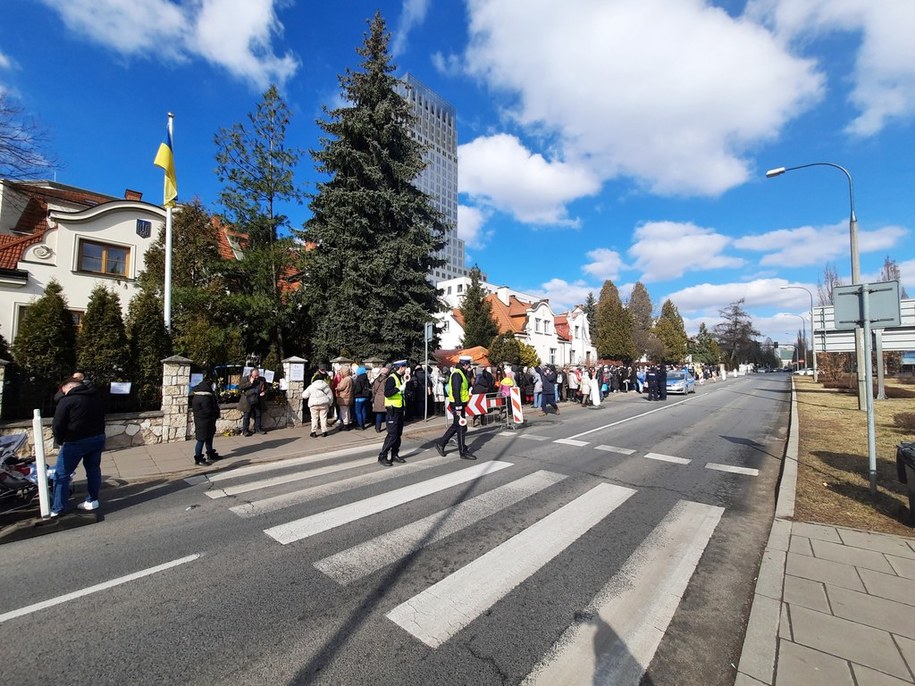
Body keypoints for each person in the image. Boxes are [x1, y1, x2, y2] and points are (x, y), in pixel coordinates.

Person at [50, 376, 106, 516]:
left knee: (61, 474)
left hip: (75, 441)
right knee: (93, 469)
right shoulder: (95, 397)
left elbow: (57, 424)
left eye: (63, 390)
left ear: (68, 387)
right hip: (97, 438)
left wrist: (60, 440)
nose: (62, 393)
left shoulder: (67, 400)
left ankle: (58, 508)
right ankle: (92, 500)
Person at [434, 355, 475, 459]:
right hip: (457, 404)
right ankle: (462, 452)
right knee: (461, 427)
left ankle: (441, 444)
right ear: (465, 364)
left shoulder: (461, 373)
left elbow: (466, 387)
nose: (469, 366)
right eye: (469, 364)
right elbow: (456, 391)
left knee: (457, 425)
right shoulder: (457, 374)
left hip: (460, 403)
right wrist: (458, 407)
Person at [378, 360, 408, 466]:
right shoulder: (392, 378)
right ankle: (382, 456)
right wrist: (398, 389)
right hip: (392, 410)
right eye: (405, 367)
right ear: (400, 368)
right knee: (392, 434)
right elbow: (387, 393)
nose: (406, 369)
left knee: (398, 434)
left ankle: (395, 454)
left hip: (399, 409)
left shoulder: (400, 378)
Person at [191, 376, 220, 466]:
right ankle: (198, 458)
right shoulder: (204, 398)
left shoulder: (202, 395)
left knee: (209, 437)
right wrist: (215, 413)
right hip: (203, 421)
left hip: (207, 421)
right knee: (201, 440)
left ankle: (210, 453)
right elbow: (208, 410)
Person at [302, 371, 334, 437]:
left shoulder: (311, 386)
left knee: (314, 418)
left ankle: (313, 432)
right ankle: (324, 431)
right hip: (324, 404)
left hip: (314, 404)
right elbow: (330, 395)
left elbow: (304, 395)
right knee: (323, 417)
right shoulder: (325, 386)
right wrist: (330, 403)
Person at [238, 368, 267, 435]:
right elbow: (240, 387)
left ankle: (258, 429)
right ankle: (245, 431)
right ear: (251, 374)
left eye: (258, 375)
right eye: (255, 376)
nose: (257, 377)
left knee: (258, 415)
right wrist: (250, 383)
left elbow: (267, 388)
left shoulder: (262, 379)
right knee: (246, 416)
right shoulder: (245, 379)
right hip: (248, 400)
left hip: (257, 399)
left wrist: (264, 392)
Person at [352, 366, 372, 430]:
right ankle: (363, 423)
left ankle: (360, 425)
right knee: (363, 411)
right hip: (365, 397)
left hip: (359, 397)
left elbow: (358, 389)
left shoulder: (359, 379)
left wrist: (354, 393)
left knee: (358, 412)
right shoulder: (366, 378)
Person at [371, 366, 390, 432]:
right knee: (387, 414)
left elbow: (373, 390)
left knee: (379, 414)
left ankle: (377, 428)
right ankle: (388, 428)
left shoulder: (376, 380)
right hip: (385, 398)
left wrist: (374, 397)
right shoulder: (387, 380)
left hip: (377, 398)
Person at [335, 366, 354, 431]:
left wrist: (337, 387)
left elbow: (341, 387)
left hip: (344, 397)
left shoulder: (346, 379)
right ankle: (347, 423)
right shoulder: (350, 378)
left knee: (344, 411)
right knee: (347, 411)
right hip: (348, 396)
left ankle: (345, 425)